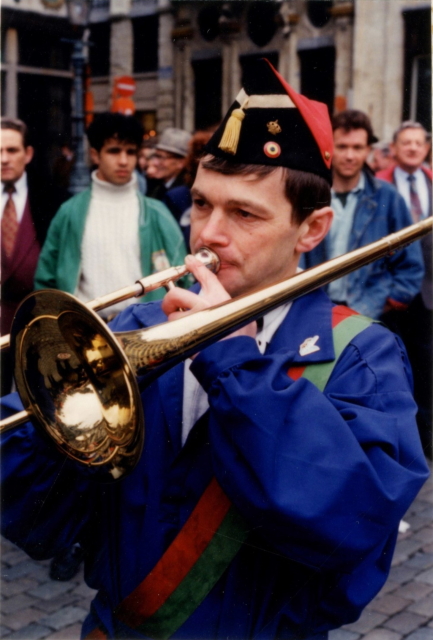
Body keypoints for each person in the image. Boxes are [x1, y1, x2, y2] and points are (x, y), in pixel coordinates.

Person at [1, 59, 429, 639]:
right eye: (202, 203)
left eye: (245, 213)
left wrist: (235, 360)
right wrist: (47, 410)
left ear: (312, 229)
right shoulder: (138, 322)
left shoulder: (364, 355)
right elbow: (38, 518)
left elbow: (350, 531)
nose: (207, 234)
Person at [34, 113, 189, 319]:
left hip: (147, 332)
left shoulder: (157, 212)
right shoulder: (70, 212)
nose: (124, 161)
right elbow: (46, 281)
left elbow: (184, 278)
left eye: (131, 152)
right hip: (84, 333)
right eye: (114, 151)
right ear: (95, 155)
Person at [303, 110, 424, 321]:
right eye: (342, 147)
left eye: (357, 147)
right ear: (330, 147)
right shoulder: (310, 196)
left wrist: (384, 302)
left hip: (366, 313)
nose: (350, 156)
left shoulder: (388, 197)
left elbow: (411, 263)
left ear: (368, 150)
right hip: (313, 309)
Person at [377, 121, 432, 458]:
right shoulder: (379, 185)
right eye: (405, 143)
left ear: (426, 149)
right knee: (390, 364)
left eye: (418, 143)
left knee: (426, 366)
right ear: (394, 148)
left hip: (428, 294)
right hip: (389, 293)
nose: (412, 148)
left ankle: (425, 438)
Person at [1, 117, 56, 394]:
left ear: (28, 154)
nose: (4, 159)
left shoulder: (50, 198)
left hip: (32, 323)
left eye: (12, 150)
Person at [148, 127, 192, 205]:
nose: (155, 163)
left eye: (162, 157)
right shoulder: (157, 185)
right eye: (156, 156)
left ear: (181, 162)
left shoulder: (184, 195)